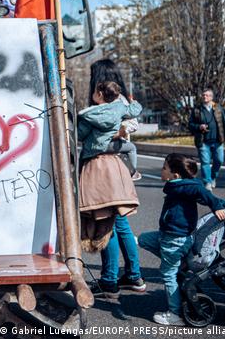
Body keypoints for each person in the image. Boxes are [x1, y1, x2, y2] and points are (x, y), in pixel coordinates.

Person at [139, 153, 225, 326]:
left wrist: (217, 206)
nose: (162, 170)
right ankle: (177, 264)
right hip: (169, 236)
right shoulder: (177, 186)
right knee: (143, 239)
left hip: (175, 239)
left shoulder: (185, 186)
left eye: (165, 167)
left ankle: (175, 314)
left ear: (176, 175)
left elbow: (201, 191)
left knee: (168, 275)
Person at [85, 59, 144, 297]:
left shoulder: (105, 104)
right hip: (119, 168)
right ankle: (133, 276)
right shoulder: (123, 100)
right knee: (121, 224)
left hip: (105, 167)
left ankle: (109, 280)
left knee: (107, 223)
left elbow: (97, 137)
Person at [188, 89, 225, 189]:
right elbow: (190, 125)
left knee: (219, 160)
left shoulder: (218, 108)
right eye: (203, 95)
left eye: (207, 95)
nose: (204, 97)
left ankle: (213, 177)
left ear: (211, 97)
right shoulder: (197, 110)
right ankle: (207, 182)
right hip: (203, 141)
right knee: (205, 162)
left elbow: (224, 123)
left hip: (218, 140)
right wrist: (199, 127)